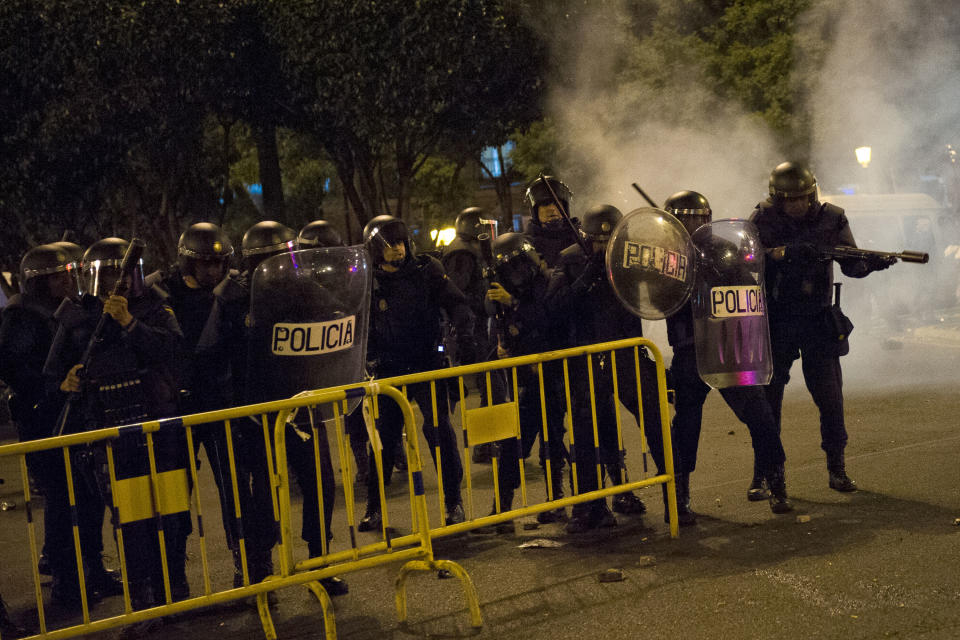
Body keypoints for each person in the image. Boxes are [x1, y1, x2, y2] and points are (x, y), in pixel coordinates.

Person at [198, 220, 347, 596]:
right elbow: (210, 353)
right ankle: (262, 569)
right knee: (263, 492)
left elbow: (339, 323)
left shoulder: (305, 291)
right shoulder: (231, 297)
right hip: (255, 413)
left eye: (290, 258)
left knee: (320, 483)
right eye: (277, 259)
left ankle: (318, 561)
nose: (287, 266)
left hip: (302, 404)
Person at [44, 237, 190, 611]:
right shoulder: (78, 315)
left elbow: (174, 352)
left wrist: (129, 322)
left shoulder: (155, 306)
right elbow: (53, 372)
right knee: (130, 521)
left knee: (171, 513)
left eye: (119, 274)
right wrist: (67, 380)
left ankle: (174, 589)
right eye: (106, 275)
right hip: (109, 434)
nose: (114, 282)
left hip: (159, 427)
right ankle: (141, 598)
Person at [750, 162, 896, 492]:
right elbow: (748, 261)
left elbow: (852, 264)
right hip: (778, 319)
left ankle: (837, 467)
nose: (798, 205)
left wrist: (870, 265)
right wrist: (784, 254)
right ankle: (765, 473)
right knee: (768, 403)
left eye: (803, 198)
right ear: (777, 199)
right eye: (791, 200)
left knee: (830, 399)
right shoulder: (762, 218)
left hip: (817, 318)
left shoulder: (831, 218)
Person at [0, 243, 121, 610]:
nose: (69, 281)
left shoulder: (75, 309)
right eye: (60, 276)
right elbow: (14, 370)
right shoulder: (22, 315)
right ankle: (67, 583)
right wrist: (55, 386)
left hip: (78, 414)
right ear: (42, 281)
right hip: (43, 418)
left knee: (88, 498)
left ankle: (93, 569)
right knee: (61, 499)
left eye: (71, 273)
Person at [662, 191, 792, 522]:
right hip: (690, 350)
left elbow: (748, 282)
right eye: (686, 218)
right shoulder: (667, 258)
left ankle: (776, 481)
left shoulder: (722, 248)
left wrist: (719, 266)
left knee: (760, 415)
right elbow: (661, 300)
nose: (693, 224)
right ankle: (680, 494)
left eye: (699, 218)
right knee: (686, 424)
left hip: (729, 346)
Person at [148, 223, 256, 583]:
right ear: (187, 262)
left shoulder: (235, 288)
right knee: (176, 494)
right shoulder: (162, 290)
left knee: (236, 490)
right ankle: (174, 579)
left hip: (223, 401)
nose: (213, 270)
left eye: (218, 263)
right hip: (178, 406)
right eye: (205, 264)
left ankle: (249, 566)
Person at [546, 205, 657, 533]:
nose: (603, 248)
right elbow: (555, 308)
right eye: (597, 242)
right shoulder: (570, 260)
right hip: (586, 359)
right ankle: (589, 506)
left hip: (626, 354)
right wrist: (587, 276)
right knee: (586, 434)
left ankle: (674, 495)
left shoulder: (631, 256)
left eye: (609, 242)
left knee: (653, 421)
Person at [358, 215, 472, 531]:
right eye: (388, 245)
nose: (396, 249)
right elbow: (356, 325)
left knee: (438, 429)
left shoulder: (427, 270)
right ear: (375, 250)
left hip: (426, 363)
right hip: (389, 367)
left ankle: (453, 503)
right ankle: (374, 508)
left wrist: (463, 330)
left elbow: (456, 302)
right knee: (383, 438)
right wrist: (367, 360)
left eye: (399, 242)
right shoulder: (368, 281)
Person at [484, 232, 569, 525]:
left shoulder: (547, 283)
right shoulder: (506, 290)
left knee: (552, 441)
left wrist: (514, 304)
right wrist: (503, 343)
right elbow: (505, 328)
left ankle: (557, 500)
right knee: (514, 443)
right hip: (528, 382)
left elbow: (546, 320)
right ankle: (503, 509)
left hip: (552, 377)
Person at [440, 207, 508, 464]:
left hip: (477, 328)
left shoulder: (465, 250)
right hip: (473, 329)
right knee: (493, 387)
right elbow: (456, 293)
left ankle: (488, 443)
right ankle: (486, 444)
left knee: (493, 387)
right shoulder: (462, 253)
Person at [523, 175, 582, 268]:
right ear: (535, 211)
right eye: (545, 204)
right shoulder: (526, 246)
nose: (552, 208)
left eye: (557, 202)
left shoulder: (581, 237)